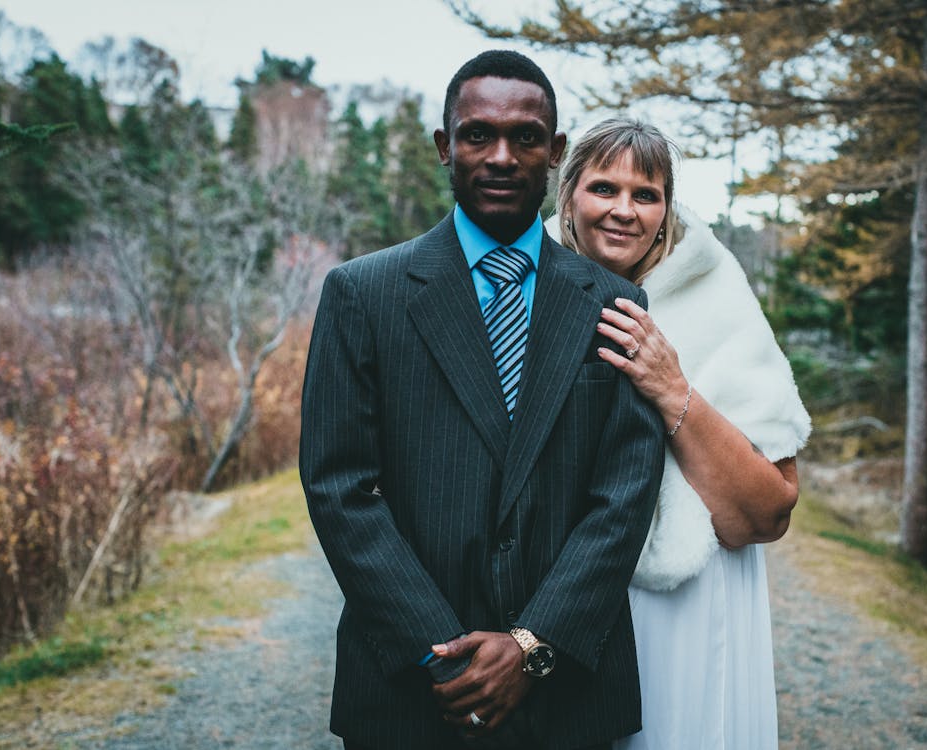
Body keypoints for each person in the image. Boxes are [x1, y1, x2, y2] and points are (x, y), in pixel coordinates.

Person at [299, 54, 665, 750]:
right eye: (476, 135)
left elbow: (623, 496)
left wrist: (532, 644)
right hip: (411, 691)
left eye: (526, 137)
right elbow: (338, 486)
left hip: (568, 697)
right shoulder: (362, 295)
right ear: (444, 146)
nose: (501, 156)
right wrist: (442, 650)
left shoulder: (617, 306)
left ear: (555, 153)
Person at [549, 118, 812, 749]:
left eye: (646, 194)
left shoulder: (716, 295)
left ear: (666, 210)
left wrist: (672, 389)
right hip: (557, 600)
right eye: (603, 188)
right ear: (568, 197)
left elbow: (771, 511)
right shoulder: (529, 293)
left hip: (682, 609)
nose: (623, 211)